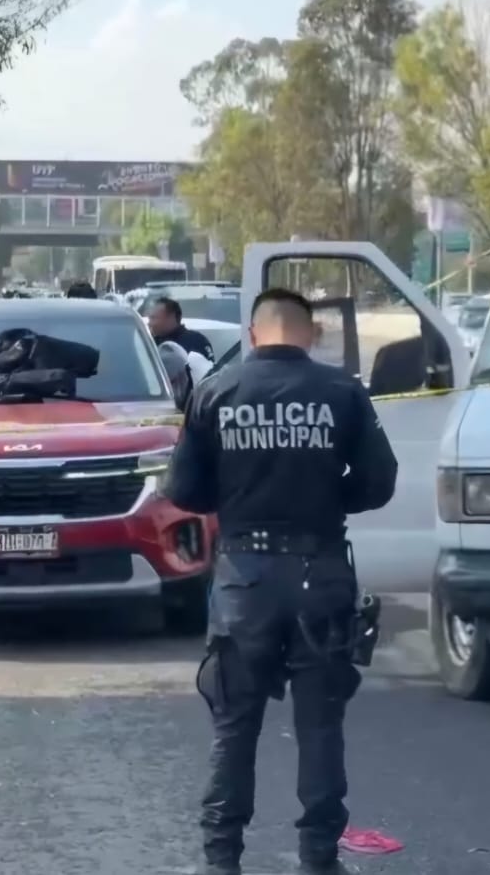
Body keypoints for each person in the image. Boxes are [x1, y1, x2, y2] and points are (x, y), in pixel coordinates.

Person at [162, 287, 398, 875]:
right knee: (320, 725)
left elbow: (183, 491)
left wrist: (240, 500)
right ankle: (318, 860)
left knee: (234, 727)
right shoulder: (342, 391)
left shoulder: (216, 391)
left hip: (244, 576)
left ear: (251, 334)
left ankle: (222, 862)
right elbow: (379, 482)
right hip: (320, 570)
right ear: (310, 335)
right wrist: (325, 499)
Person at [147, 296, 214, 362]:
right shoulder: (150, 343)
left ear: (171, 318)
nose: (149, 323)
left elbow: (208, 370)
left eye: (153, 318)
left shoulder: (197, 341)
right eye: (150, 318)